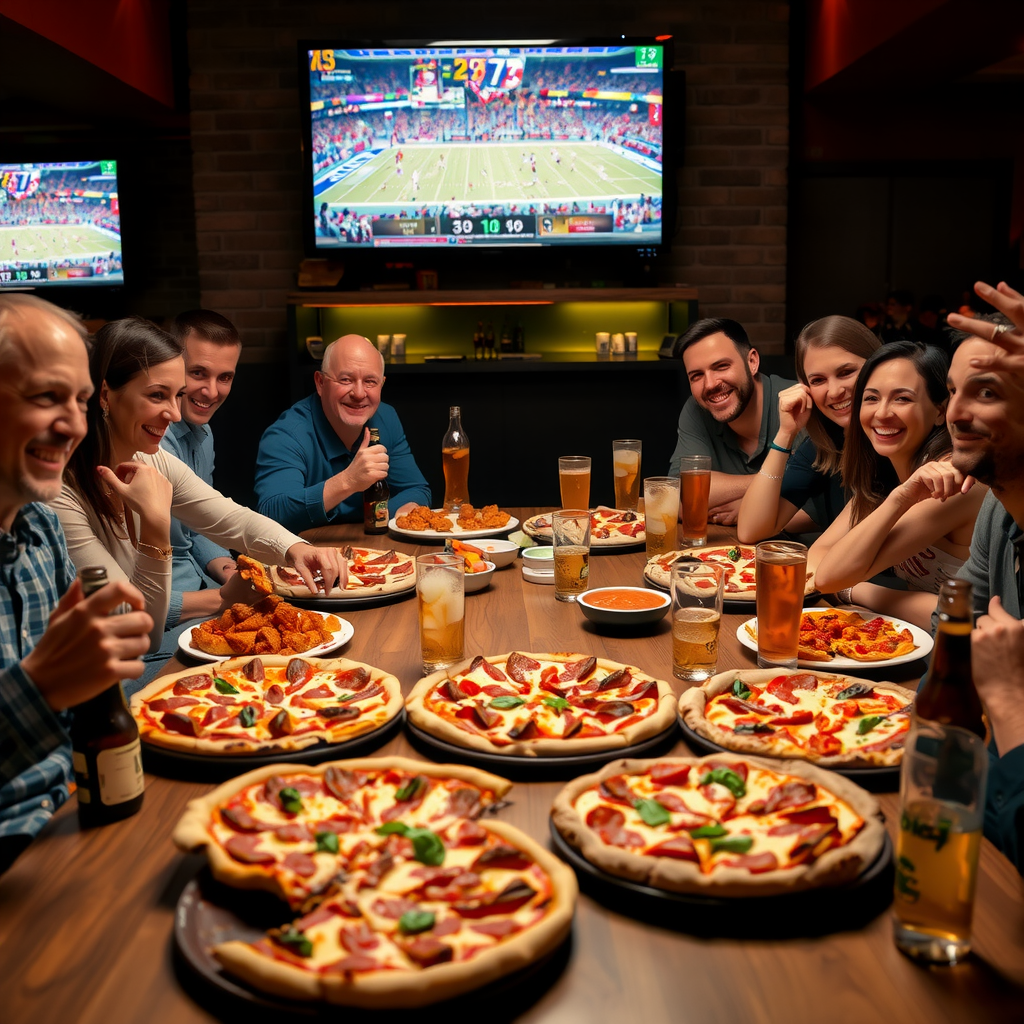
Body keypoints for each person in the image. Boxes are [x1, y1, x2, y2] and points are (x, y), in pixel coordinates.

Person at [51, 317, 346, 687]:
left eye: (176, 395)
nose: (175, 414)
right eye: (157, 395)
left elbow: (231, 519)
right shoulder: (60, 493)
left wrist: (296, 548)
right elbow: (139, 635)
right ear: (106, 395)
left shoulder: (150, 458)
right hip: (103, 679)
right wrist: (157, 530)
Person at [0, 295, 152, 871]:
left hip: (82, 812)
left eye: (82, 401)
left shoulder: (38, 524)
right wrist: (37, 691)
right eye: (46, 397)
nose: (72, 425)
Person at [809, 341, 987, 627]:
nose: (882, 413)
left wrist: (855, 590)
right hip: (918, 636)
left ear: (940, 411)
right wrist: (898, 495)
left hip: (977, 653)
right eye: (871, 398)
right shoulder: (890, 471)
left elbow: (829, 577)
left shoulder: (953, 479)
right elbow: (817, 557)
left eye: (902, 398)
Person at [944, 278, 1024, 874]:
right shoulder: (997, 508)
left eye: (986, 392)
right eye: (952, 391)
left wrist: (1007, 695)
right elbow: (955, 642)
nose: (954, 413)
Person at [254, 334, 431, 533]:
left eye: (370, 381)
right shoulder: (286, 434)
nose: (359, 393)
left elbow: (416, 490)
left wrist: (382, 516)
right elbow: (271, 513)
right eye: (346, 379)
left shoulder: (386, 418)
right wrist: (348, 481)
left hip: (372, 553)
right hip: (307, 556)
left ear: (382, 384)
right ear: (320, 383)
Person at [737, 316, 880, 543]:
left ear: (877, 366)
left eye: (846, 373)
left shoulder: (894, 442)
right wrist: (785, 434)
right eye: (818, 380)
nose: (834, 392)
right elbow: (750, 530)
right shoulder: (822, 447)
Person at [668, 317, 802, 527]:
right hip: (726, 553)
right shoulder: (696, 410)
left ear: (752, 362)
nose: (710, 384)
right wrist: (769, 486)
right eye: (696, 376)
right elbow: (679, 498)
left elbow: (823, 507)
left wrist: (750, 510)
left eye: (721, 366)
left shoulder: (798, 406)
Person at [159, 309, 242, 629]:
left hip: (202, 594)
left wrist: (228, 570)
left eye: (225, 377)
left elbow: (200, 525)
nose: (211, 391)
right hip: (166, 618)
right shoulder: (149, 440)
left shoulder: (203, 434)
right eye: (198, 373)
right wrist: (225, 597)